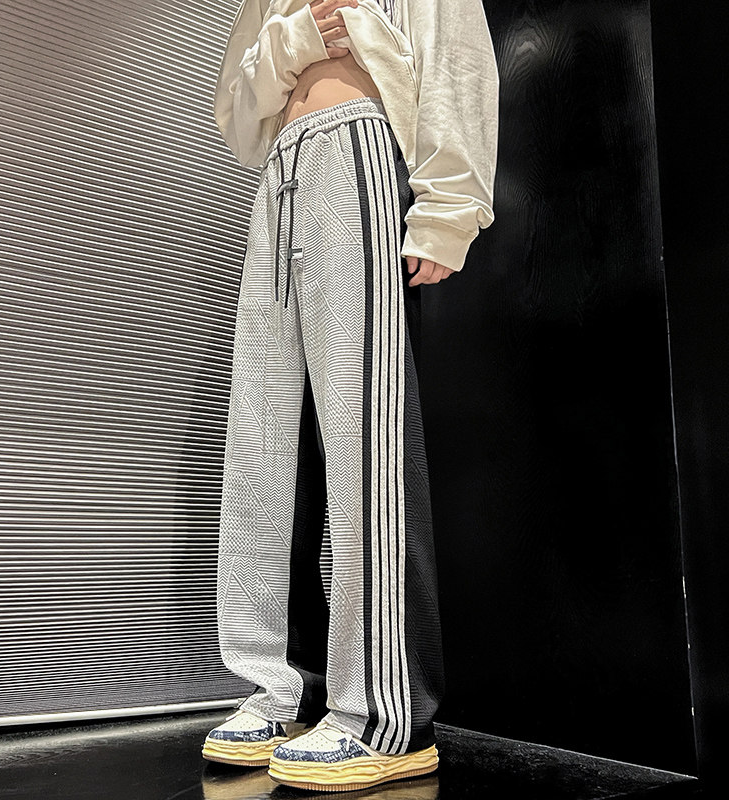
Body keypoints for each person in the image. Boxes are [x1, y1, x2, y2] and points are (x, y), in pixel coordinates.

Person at [203, 0, 499, 791]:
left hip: (362, 152)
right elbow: (238, 118)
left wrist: (448, 208)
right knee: (263, 446)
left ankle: (383, 713)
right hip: (281, 174)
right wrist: (294, 38)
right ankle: (281, 687)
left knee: (366, 436)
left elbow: (455, 54)